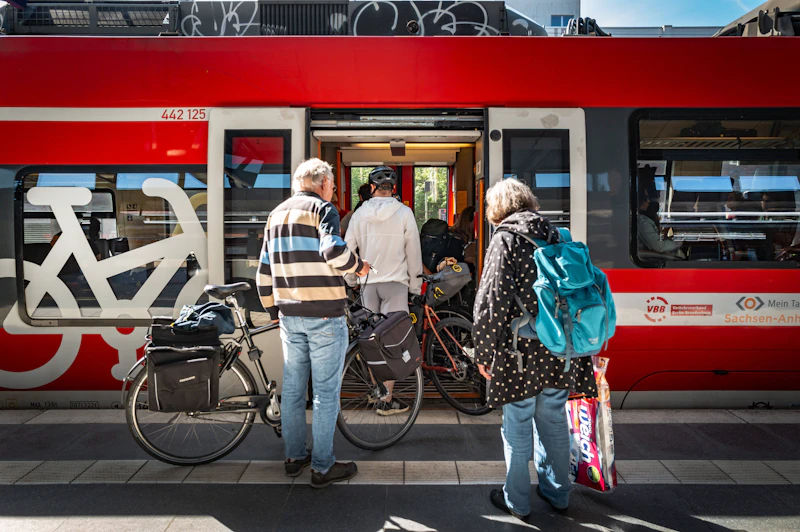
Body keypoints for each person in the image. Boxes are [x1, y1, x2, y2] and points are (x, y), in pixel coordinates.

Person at [473, 178, 598, 520]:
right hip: (560, 346)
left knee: (516, 422)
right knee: (554, 421)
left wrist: (483, 353)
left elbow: (491, 300)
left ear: (497, 208)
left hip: (520, 351)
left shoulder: (506, 238)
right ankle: (558, 494)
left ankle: (518, 501)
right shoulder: (556, 234)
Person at [257, 158, 370, 488]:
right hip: (324, 314)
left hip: (290, 315)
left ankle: (293, 457)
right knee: (324, 394)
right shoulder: (324, 209)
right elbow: (333, 251)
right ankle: (322, 466)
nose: (334, 190)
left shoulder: (276, 214)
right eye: (333, 184)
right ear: (322, 184)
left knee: (293, 390)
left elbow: (264, 272)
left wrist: (274, 312)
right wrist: (360, 266)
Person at [344, 165, 423, 416]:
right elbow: (413, 252)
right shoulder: (404, 213)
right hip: (396, 285)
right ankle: (386, 399)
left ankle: (376, 390)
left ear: (371, 188)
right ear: (394, 189)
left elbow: (348, 248)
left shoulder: (359, 215)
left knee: (370, 341)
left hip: (368, 285)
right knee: (391, 342)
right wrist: (415, 285)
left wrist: (349, 279)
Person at [637, 189, 685, 259]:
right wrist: (677, 243)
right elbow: (659, 247)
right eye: (645, 199)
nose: (648, 201)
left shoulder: (643, 220)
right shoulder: (643, 222)